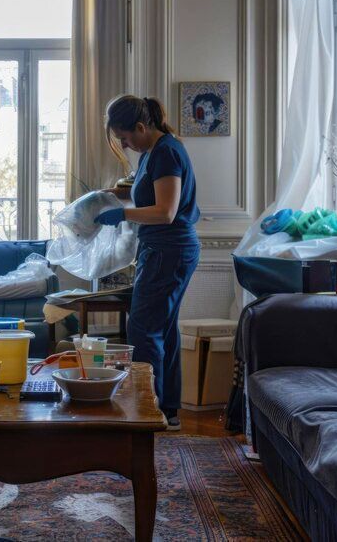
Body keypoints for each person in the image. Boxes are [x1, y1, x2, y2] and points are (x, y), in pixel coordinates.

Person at [95, 95, 200, 431]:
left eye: (126, 138)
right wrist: (119, 194)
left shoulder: (166, 152)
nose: (125, 145)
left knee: (143, 331)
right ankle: (165, 412)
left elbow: (165, 212)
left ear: (141, 127)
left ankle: (147, 411)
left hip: (168, 250)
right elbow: (152, 196)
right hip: (166, 250)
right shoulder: (154, 152)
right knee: (164, 331)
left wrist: (122, 213)